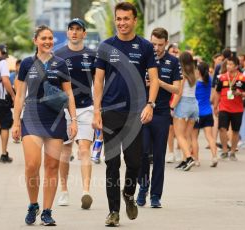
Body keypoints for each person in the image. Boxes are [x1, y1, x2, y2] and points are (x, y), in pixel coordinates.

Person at [92, 2, 159, 226]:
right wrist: (96, 111)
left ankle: (129, 193)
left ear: (134, 20)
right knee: (112, 164)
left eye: (126, 19)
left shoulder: (145, 47)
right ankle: (113, 212)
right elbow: (98, 80)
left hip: (135, 113)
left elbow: (154, 79)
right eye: (118, 19)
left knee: (135, 162)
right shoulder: (105, 46)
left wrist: (150, 104)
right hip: (110, 112)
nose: (122, 23)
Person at [12, 25, 77, 226]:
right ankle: (33, 204)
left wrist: (73, 120)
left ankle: (47, 211)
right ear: (36, 41)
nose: (48, 41)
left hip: (55, 118)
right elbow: (20, 94)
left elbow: (69, 94)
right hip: (31, 116)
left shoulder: (60, 64)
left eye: (50, 38)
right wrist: (15, 122)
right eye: (43, 38)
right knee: (32, 165)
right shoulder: (26, 64)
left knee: (52, 166)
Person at [136, 27, 182, 208]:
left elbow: (177, 89)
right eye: (153, 44)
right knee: (143, 153)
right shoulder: (143, 58)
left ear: (166, 43)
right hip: (143, 112)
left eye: (160, 45)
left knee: (159, 156)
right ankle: (143, 186)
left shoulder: (173, 62)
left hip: (162, 113)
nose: (156, 48)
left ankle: (155, 195)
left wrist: (158, 82)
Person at [54, 18, 96, 209]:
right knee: (65, 151)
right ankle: (63, 190)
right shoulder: (59, 55)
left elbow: (99, 82)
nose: (75, 32)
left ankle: (86, 191)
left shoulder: (92, 55)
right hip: (64, 110)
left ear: (84, 33)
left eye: (78, 29)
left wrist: (99, 109)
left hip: (86, 108)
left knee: (85, 149)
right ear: (67, 32)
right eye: (71, 29)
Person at [214, 56, 245, 160]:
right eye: (227, 64)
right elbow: (217, 92)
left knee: (235, 130)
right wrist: (215, 106)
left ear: (237, 66)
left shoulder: (242, 78)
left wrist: (241, 93)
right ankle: (225, 150)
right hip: (224, 107)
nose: (228, 66)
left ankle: (233, 152)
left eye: (230, 64)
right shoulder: (222, 77)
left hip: (237, 109)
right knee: (222, 128)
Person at [171, 51, 198, 171]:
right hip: (194, 105)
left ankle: (188, 157)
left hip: (183, 105)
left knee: (179, 135)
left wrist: (172, 106)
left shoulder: (181, 74)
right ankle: (183, 161)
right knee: (186, 136)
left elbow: (179, 92)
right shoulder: (194, 74)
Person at [191, 61, 218, 167]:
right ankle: (214, 156)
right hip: (207, 112)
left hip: (196, 113)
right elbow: (213, 95)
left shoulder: (195, 83)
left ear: (199, 71)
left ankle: (196, 160)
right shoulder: (209, 80)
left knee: (194, 138)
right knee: (210, 136)